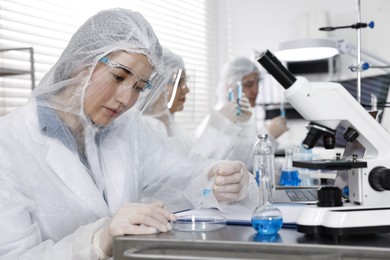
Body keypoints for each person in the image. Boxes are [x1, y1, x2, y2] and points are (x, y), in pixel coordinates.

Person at [0, 9, 258, 259]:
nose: (127, 99)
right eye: (118, 76)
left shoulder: (127, 130)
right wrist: (98, 241)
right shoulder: (9, 142)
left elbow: (183, 172)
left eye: (139, 86)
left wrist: (216, 176)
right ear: (82, 63)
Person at [193, 57, 289, 171]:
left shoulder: (244, 118)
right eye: (248, 84)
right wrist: (268, 137)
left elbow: (252, 163)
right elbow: (238, 165)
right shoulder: (217, 121)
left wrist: (286, 168)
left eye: (257, 82)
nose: (256, 90)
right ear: (229, 86)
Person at [143, 48, 194, 151]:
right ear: (157, 86)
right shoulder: (145, 132)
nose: (186, 90)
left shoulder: (174, 130)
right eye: (178, 82)